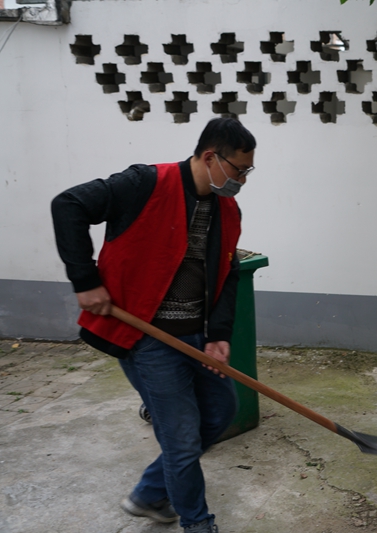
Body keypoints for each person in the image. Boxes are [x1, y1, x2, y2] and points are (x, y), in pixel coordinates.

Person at [51, 117, 256, 533]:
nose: (242, 181)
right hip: (147, 338)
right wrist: (85, 280)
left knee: (219, 413)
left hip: (196, 336)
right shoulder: (145, 183)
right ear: (210, 157)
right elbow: (68, 205)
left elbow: (227, 275)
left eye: (247, 172)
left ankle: (149, 494)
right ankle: (198, 524)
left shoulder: (227, 210)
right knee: (180, 438)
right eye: (238, 170)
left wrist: (218, 336)